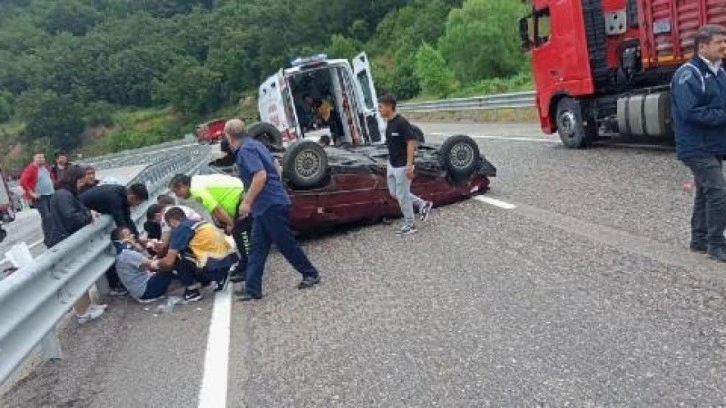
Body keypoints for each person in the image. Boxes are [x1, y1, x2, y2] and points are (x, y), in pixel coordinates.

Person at [224, 118, 320, 301]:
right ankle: (253, 289)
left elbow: (260, 175)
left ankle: (310, 273)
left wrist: (247, 201)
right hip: (267, 204)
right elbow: (276, 166)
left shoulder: (245, 151)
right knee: (257, 248)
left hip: (269, 204)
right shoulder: (256, 145)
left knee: (285, 243)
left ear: (228, 136)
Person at [672, 24, 726, 262]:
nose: (724, 46)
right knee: (718, 192)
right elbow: (691, 111)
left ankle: (699, 240)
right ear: (702, 46)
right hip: (695, 145)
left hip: (714, 144)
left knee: (705, 192)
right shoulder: (688, 74)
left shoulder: (720, 73)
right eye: (719, 42)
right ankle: (717, 245)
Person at [46, 165, 106, 324]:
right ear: (75, 179)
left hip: (68, 240)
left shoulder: (65, 193)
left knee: (80, 276)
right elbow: (71, 217)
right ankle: (82, 313)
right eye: (80, 181)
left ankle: (87, 307)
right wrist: (88, 216)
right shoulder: (63, 195)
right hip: (65, 241)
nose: (81, 184)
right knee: (75, 278)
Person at [169, 173, 252, 282]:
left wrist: (230, 223)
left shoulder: (197, 190)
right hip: (238, 193)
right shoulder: (196, 182)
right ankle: (244, 264)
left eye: (177, 192)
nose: (178, 196)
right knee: (238, 234)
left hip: (239, 196)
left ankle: (250, 270)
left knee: (242, 236)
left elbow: (215, 208)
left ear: (182, 185)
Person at [155, 207, 240, 301]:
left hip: (214, 266)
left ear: (172, 221)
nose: (171, 229)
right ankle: (215, 277)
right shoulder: (197, 223)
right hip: (227, 260)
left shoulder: (180, 229)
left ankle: (192, 291)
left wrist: (155, 263)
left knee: (177, 258)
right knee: (188, 251)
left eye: (170, 226)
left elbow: (169, 262)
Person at [377, 94, 433, 235]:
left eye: (381, 107)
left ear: (389, 106)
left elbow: (411, 142)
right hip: (392, 164)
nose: (379, 110)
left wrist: (409, 165)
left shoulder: (401, 123)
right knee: (395, 193)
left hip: (403, 166)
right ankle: (422, 204)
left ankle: (410, 224)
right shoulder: (388, 123)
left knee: (402, 195)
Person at [111, 227, 178, 303]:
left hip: (138, 291)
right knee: (169, 265)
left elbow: (146, 263)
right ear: (123, 240)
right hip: (146, 291)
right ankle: (190, 286)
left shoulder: (122, 254)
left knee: (164, 265)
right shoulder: (128, 254)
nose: (132, 235)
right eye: (129, 235)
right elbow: (154, 265)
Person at [80, 182, 149, 238]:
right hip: (80, 210)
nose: (137, 205)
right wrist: (132, 238)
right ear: (133, 198)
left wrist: (137, 237)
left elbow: (127, 218)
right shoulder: (115, 198)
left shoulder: (123, 194)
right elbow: (120, 221)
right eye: (138, 203)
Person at [19, 151, 56, 246]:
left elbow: (51, 177)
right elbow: (23, 182)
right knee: (46, 217)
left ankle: (55, 234)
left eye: (42, 158)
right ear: (34, 158)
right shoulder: (30, 169)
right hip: (40, 197)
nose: (41, 159)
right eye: (39, 158)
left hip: (50, 194)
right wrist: (31, 193)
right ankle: (49, 239)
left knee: (53, 215)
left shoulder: (46, 167)